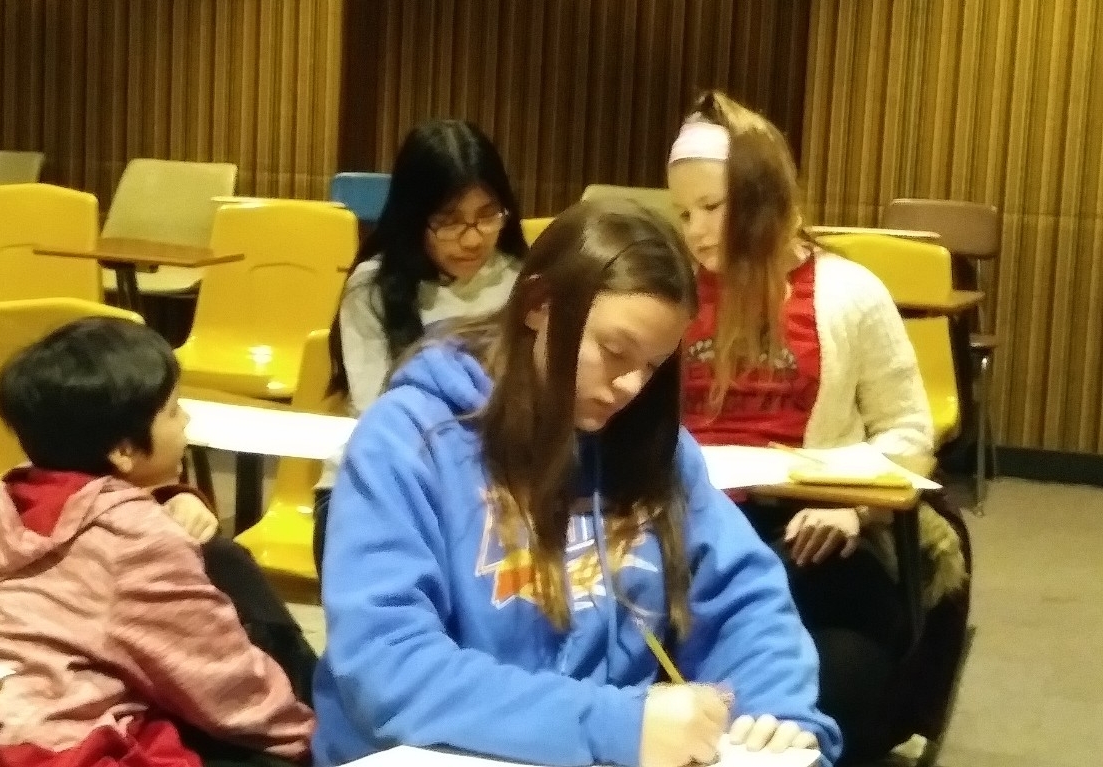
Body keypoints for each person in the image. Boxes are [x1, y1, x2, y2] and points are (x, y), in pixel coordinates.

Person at [312, 199, 841, 767]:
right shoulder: (409, 440)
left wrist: (776, 713)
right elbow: (387, 667)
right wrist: (614, 724)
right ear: (539, 305)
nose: (632, 387)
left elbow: (744, 600)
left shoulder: (649, 445)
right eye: (615, 352)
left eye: (655, 364)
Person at [666, 90, 969, 763]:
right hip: (693, 529)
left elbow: (908, 432)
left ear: (764, 194)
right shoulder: (669, 289)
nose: (695, 230)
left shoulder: (849, 292)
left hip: (812, 534)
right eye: (683, 212)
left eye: (712, 207)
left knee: (840, 679)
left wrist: (855, 510)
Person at [0, 318, 315, 767]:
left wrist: (169, 497)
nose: (187, 420)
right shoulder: (135, 538)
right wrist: (308, 735)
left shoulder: (5, 509)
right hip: (78, 751)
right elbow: (217, 676)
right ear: (124, 450)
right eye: (174, 410)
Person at [313, 119, 528, 569]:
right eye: (449, 222)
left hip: (493, 486)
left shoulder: (523, 282)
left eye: (487, 215)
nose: (472, 238)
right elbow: (380, 418)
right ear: (414, 217)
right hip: (385, 480)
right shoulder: (372, 289)